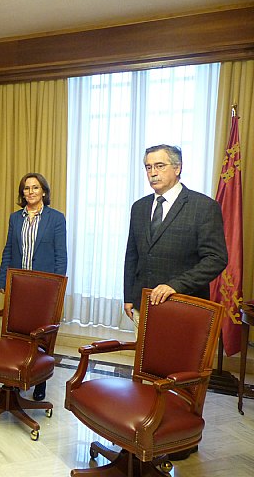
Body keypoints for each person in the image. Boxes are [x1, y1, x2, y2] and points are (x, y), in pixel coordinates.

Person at [123, 144, 228, 460]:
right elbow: (133, 254)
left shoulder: (202, 207)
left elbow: (216, 258)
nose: (152, 173)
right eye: (147, 167)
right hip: (146, 306)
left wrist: (175, 285)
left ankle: (181, 438)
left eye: (159, 166)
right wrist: (129, 296)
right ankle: (143, 428)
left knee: (182, 376)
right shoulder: (140, 207)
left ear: (177, 167)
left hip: (185, 309)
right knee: (148, 371)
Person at [0, 172, 67, 402]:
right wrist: (2, 280)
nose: (30, 192)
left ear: (43, 192)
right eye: (26, 188)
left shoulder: (56, 218)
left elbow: (60, 256)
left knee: (40, 335)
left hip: (44, 288)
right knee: (16, 334)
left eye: (35, 188)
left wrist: (57, 288)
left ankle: (40, 380)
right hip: (18, 285)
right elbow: (8, 249)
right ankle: (13, 376)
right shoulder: (15, 218)